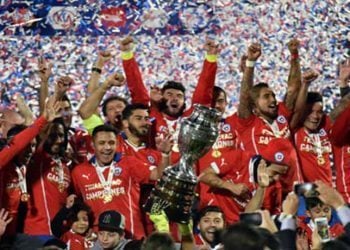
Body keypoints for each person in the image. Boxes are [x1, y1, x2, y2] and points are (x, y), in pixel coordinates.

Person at [120, 36, 219, 164]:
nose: (174, 98)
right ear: (161, 97)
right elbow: (137, 90)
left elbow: (205, 92)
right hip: (155, 174)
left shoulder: (190, 119)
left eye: (179, 96)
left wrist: (211, 58)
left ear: (184, 101)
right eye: (169, 94)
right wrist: (127, 55)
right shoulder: (151, 116)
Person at [236, 39, 303, 213]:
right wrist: (250, 63)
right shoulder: (248, 121)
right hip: (260, 194)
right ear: (254, 105)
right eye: (266, 96)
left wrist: (294, 55)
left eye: (273, 95)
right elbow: (245, 96)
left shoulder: (282, 117)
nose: (273, 100)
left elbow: (293, 89)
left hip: (288, 193)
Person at [71, 124, 167, 239]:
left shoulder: (129, 163)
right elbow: (77, 203)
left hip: (131, 236)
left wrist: (165, 155)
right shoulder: (78, 172)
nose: (107, 147)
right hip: (99, 239)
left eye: (111, 143)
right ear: (93, 145)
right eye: (101, 143)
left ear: (116, 144)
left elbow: (157, 175)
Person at [23, 117, 71, 236]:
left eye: (61, 135)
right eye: (53, 136)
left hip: (60, 234)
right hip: (37, 232)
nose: (58, 140)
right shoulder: (38, 160)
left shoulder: (66, 166)